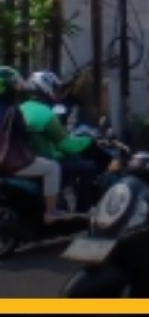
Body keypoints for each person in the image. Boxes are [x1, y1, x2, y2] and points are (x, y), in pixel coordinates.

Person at [0, 66, 70, 223]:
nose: (18, 88)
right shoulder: (12, 111)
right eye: (14, 84)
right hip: (10, 162)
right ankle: (51, 211)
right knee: (52, 167)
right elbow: (24, 136)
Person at [21, 71, 96, 213]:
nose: (57, 93)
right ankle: (83, 211)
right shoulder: (45, 113)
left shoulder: (22, 107)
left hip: (29, 158)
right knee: (89, 167)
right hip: (46, 158)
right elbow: (66, 145)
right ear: (45, 88)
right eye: (55, 88)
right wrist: (89, 140)